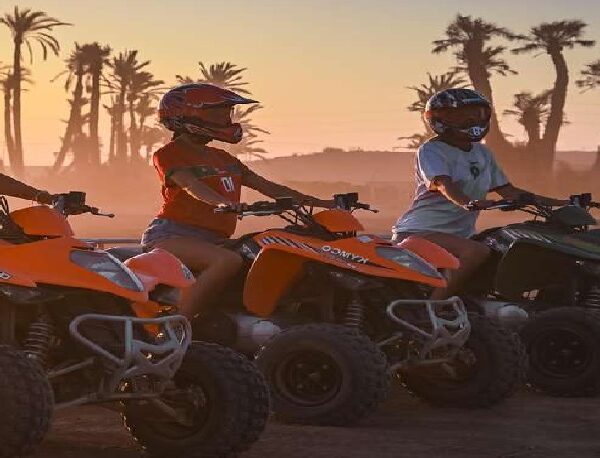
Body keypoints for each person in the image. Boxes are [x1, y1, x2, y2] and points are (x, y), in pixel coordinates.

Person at [142, 83, 333, 319]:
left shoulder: (223, 158)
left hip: (216, 239)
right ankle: (178, 325)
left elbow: (271, 188)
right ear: (188, 116)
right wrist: (221, 203)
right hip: (171, 236)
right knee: (226, 262)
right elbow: (191, 185)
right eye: (217, 112)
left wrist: (325, 204)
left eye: (227, 112)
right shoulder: (169, 154)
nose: (226, 119)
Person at [392, 88, 568, 299]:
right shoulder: (431, 151)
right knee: (475, 252)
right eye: (460, 115)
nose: (470, 120)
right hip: (419, 231)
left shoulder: (482, 152)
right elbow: (442, 184)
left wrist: (562, 203)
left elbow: (508, 191)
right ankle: (431, 307)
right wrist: (469, 202)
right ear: (439, 119)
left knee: (506, 247)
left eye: (476, 114)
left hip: (460, 235)